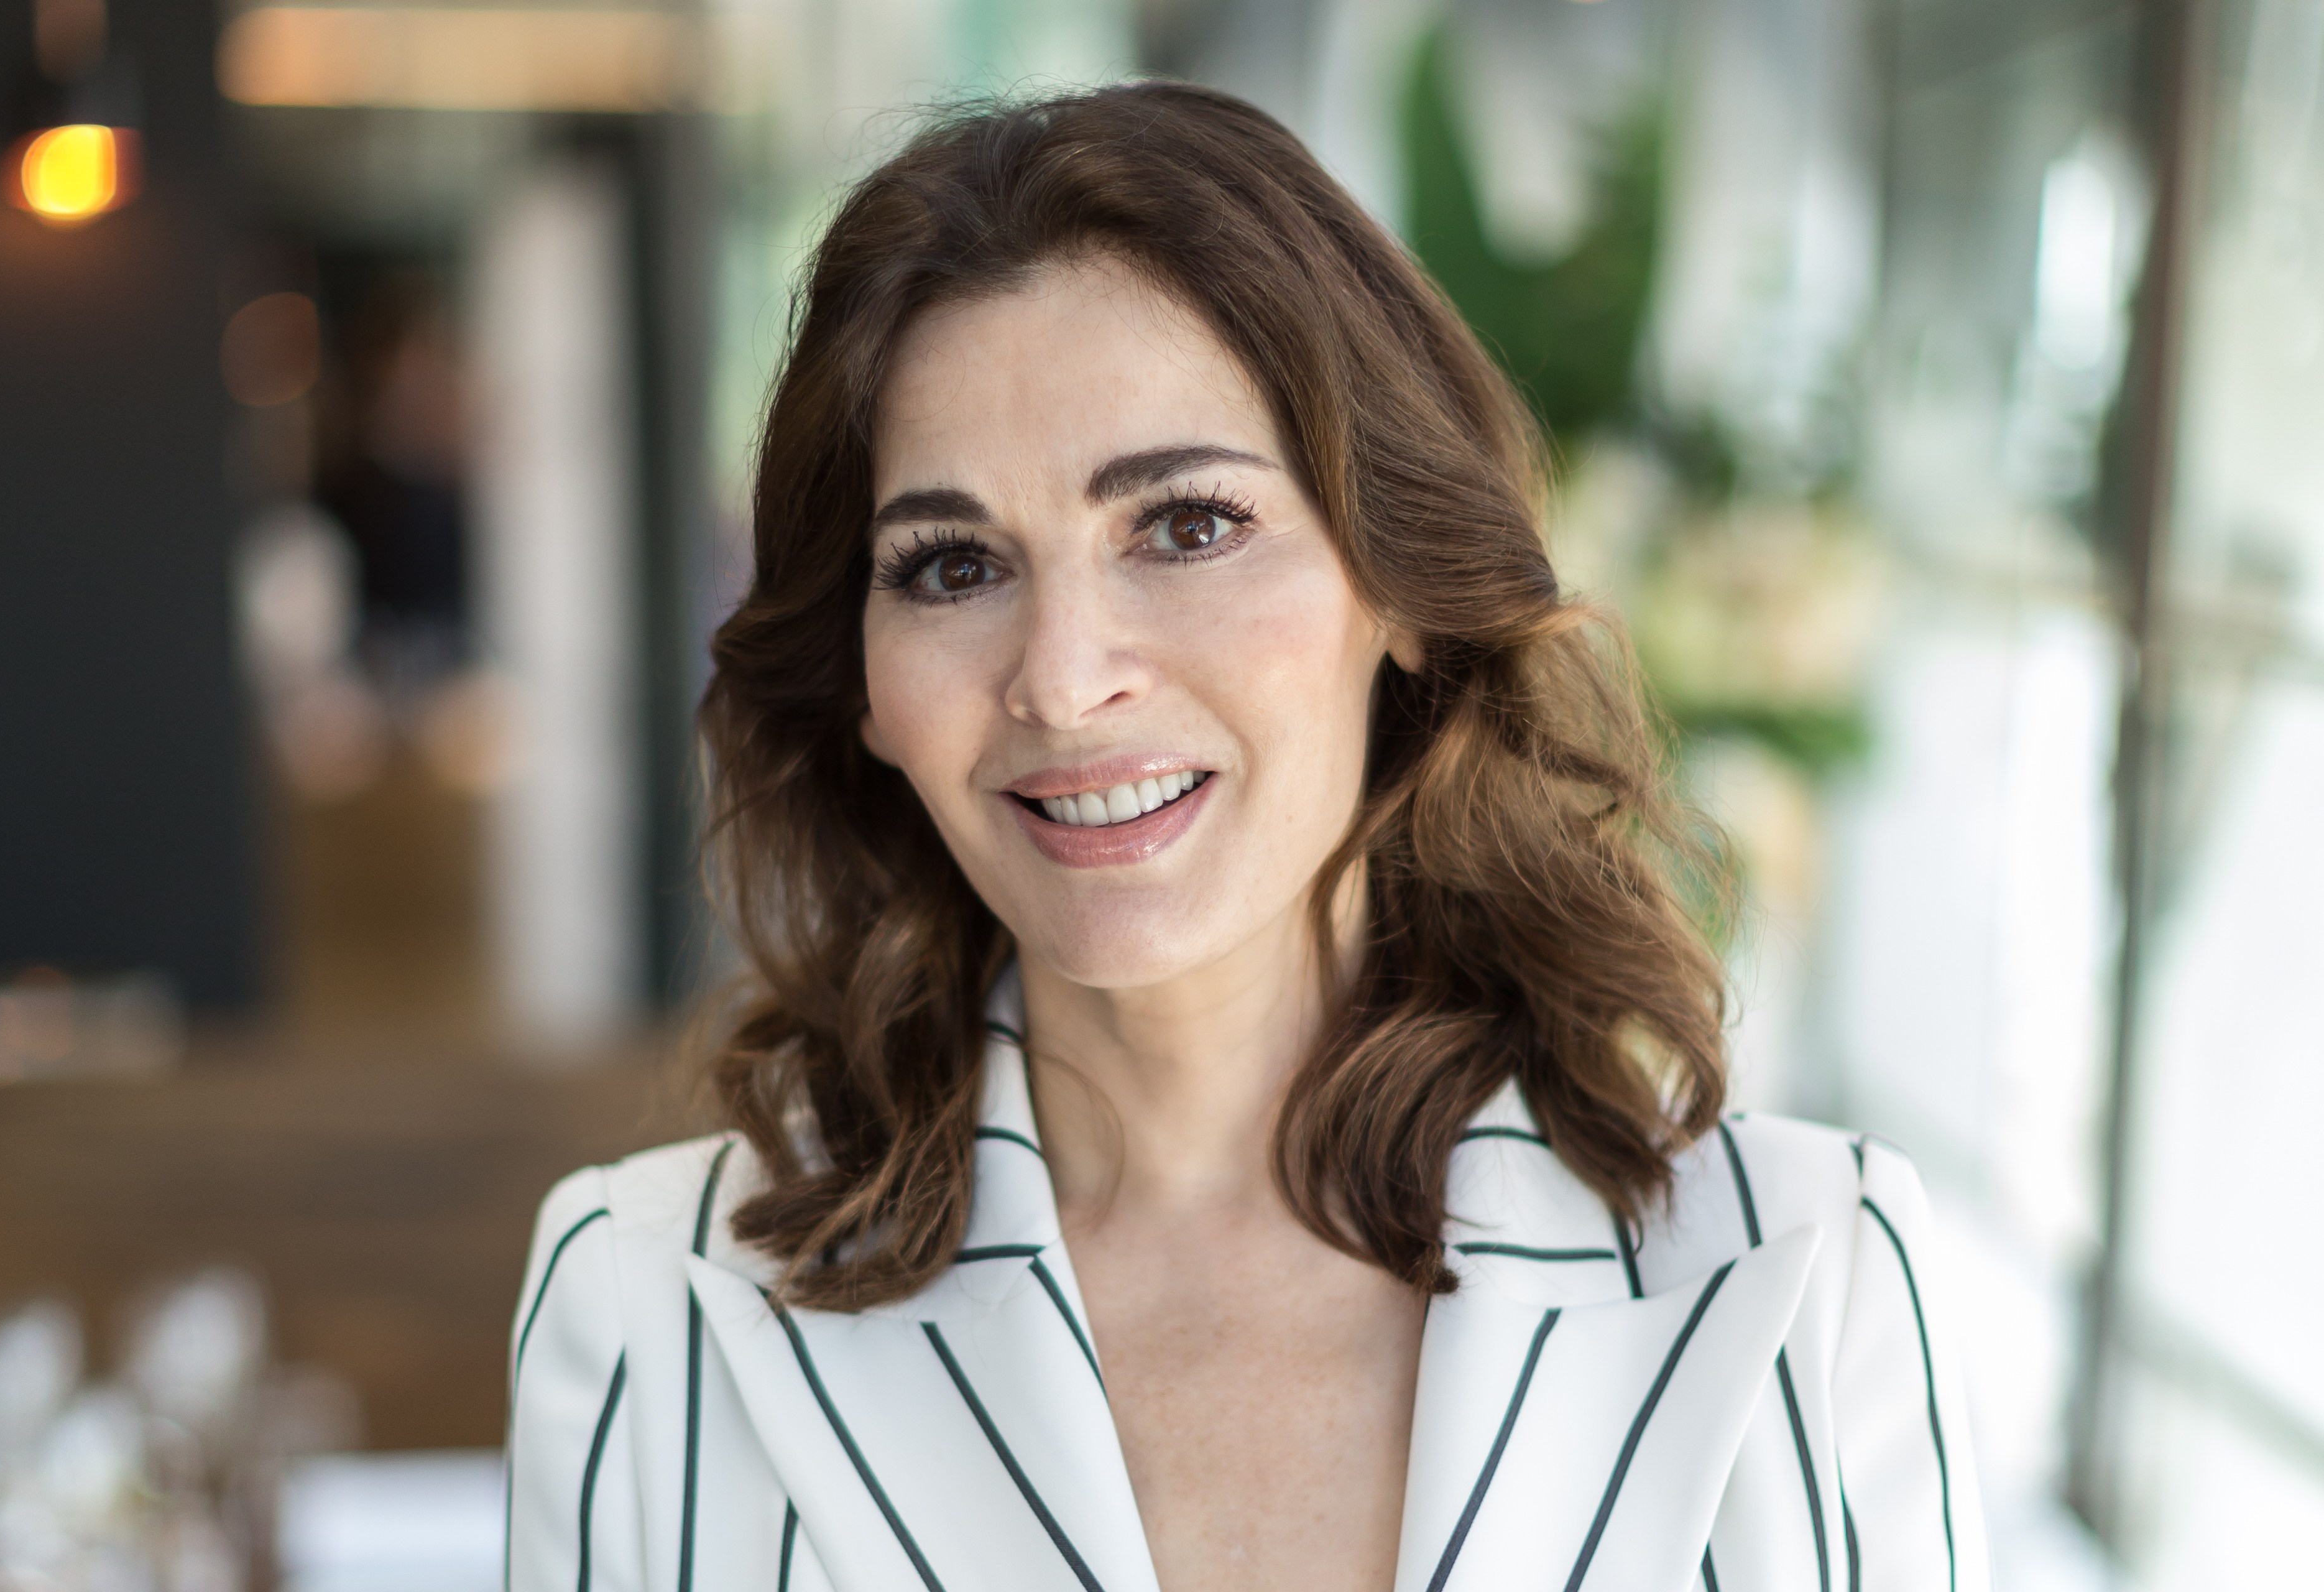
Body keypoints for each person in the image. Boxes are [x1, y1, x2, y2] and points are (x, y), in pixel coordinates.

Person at [504, 82, 1990, 1592]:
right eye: (952, 566)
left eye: (1188, 525)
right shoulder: (644, 1301)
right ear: (866, 686)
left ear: (1399, 586)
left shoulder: (1809, 1277)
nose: (1066, 680)